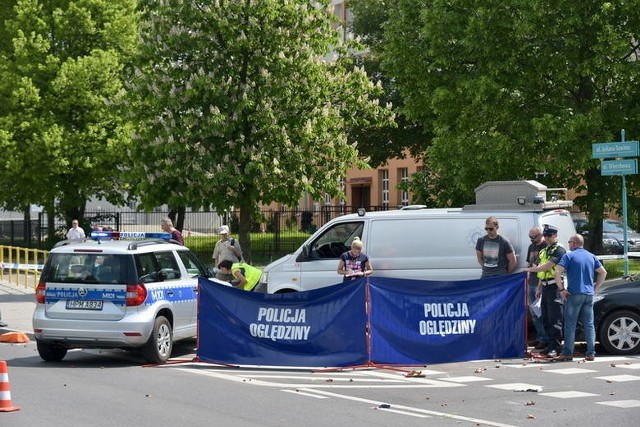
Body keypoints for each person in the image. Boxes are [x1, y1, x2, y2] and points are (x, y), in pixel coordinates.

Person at [553, 234, 607, 362]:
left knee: (570, 325)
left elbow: (557, 272)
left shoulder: (569, 256)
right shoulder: (591, 256)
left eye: (569, 242)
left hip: (574, 294)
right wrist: (596, 288)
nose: (568, 244)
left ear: (575, 243)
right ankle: (590, 353)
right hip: (588, 295)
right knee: (589, 324)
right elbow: (603, 272)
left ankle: (567, 353)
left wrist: (561, 289)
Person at [523, 224, 566, 357]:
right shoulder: (544, 251)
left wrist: (530, 270)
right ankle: (549, 345)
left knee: (555, 319)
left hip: (555, 287)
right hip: (545, 287)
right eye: (546, 235)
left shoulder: (559, 250)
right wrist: (539, 287)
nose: (547, 238)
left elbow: (547, 266)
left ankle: (556, 347)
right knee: (546, 318)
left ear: (555, 236)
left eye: (549, 235)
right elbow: (543, 272)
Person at [525, 226, 549, 350]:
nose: (531, 240)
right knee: (533, 313)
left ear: (540, 235)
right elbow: (529, 263)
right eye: (530, 237)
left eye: (533, 237)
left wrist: (540, 285)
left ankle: (545, 338)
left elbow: (544, 267)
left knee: (541, 312)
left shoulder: (545, 247)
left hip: (540, 283)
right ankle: (539, 336)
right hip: (531, 282)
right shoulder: (531, 247)